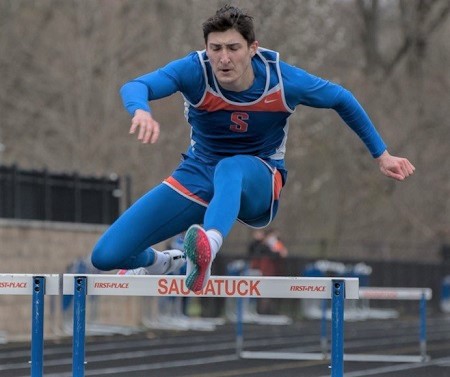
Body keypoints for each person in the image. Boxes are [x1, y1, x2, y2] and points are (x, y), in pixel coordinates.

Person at [91, 4, 415, 292]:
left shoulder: (283, 80)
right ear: (205, 49)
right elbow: (136, 85)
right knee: (107, 255)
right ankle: (166, 261)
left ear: (253, 48)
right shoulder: (194, 71)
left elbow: (342, 99)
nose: (224, 58)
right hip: (199, 173)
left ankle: (208, 247)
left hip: (258, 178)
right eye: (215, 48)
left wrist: (381, 154)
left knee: (230, 167)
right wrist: (141, 109)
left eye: (233, 47)